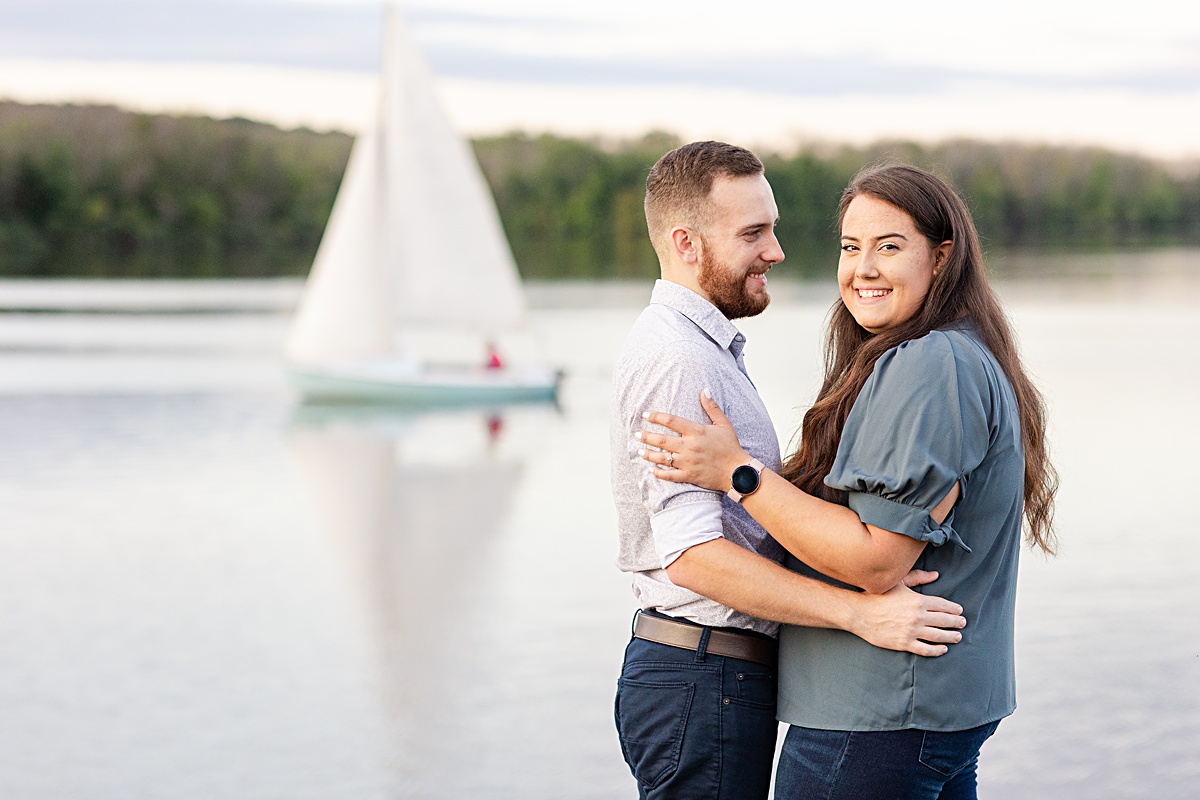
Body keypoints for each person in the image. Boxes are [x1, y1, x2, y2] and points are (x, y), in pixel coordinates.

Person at [637, 163, 1058, 799]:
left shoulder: (931, 361)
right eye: (850, 247)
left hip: (877, 712)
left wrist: (738, 474)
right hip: (915, 710)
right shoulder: (950, 352)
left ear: (942, 258)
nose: (862, 268)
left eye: (889, 247)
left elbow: (876, 558)